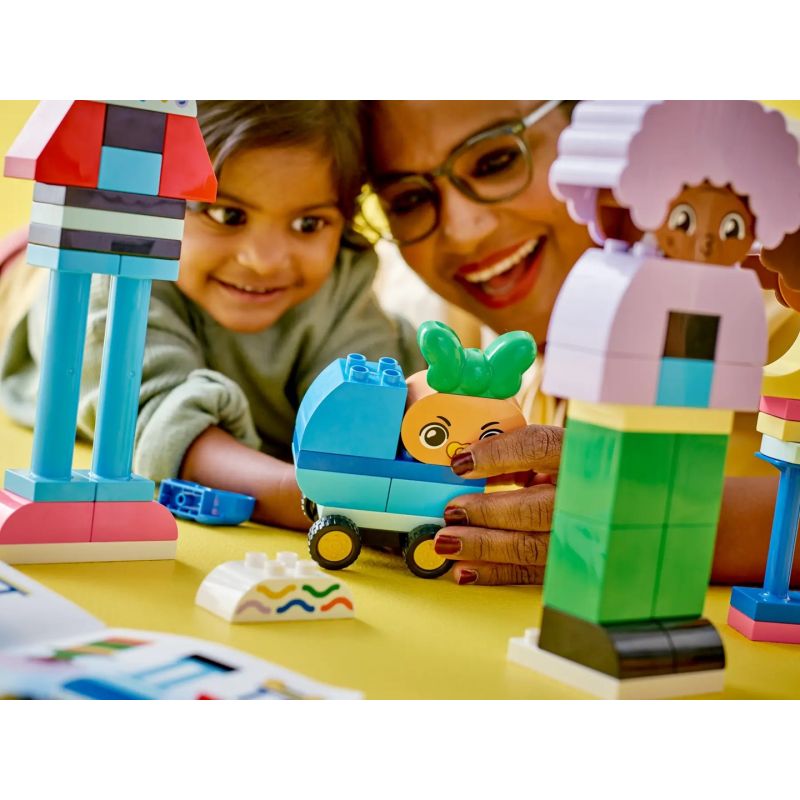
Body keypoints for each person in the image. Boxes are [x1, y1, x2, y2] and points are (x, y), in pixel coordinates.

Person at [363, 100, 800, 586]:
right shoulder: (498, 355)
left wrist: (672, 524)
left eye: (496, 160)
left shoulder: (773, 309)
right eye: (407, 200)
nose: (464, 233)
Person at [0, 101, 423, 530]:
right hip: (20, 276)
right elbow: (157, 423)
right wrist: (319, 500)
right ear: (148, 202)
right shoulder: (108, 273)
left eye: (308, 224)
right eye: (228, 215)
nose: (264, 260)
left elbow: (377, 417)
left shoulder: (344, 282)